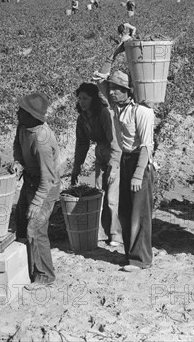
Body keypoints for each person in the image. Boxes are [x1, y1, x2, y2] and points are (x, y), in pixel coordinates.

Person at [93, 51, 155, 272]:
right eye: (111, 88)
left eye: (117, 89)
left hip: (140, 162)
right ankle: (131, 255)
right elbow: (99, 79)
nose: (111, 91)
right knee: (126, 209)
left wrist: (138, 173)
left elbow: (147, 146)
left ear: (128, 92)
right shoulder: (117, 106)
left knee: (139, 212)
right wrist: (116, 50)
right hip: (126, 160)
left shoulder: (143, 112)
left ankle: (141, 259)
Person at [11, 92, 60, 289]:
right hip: (30, 181)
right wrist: (17, 161)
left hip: (45, 188)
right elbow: (16, 144)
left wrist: (37, 203)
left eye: (21, 111)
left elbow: (47, 179)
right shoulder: (23, 126)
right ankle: (26, 268)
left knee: (36, 228)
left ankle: (45, 275)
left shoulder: (42, 140)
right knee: (21, 224)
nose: (17, 114)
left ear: (33, 116)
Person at [71, 83, 123, 247]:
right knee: (100, 193)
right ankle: (101, 232)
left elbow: (115, 141)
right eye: (79, 98)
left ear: (93, 99)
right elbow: (81, 143)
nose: (82, 102)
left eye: (85, 98)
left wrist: (114, 166)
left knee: (113, 197)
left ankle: (117, 234)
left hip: (113, 152)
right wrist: (77, 166)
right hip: (100, 153)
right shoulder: (83, 117)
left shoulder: (104, 113)